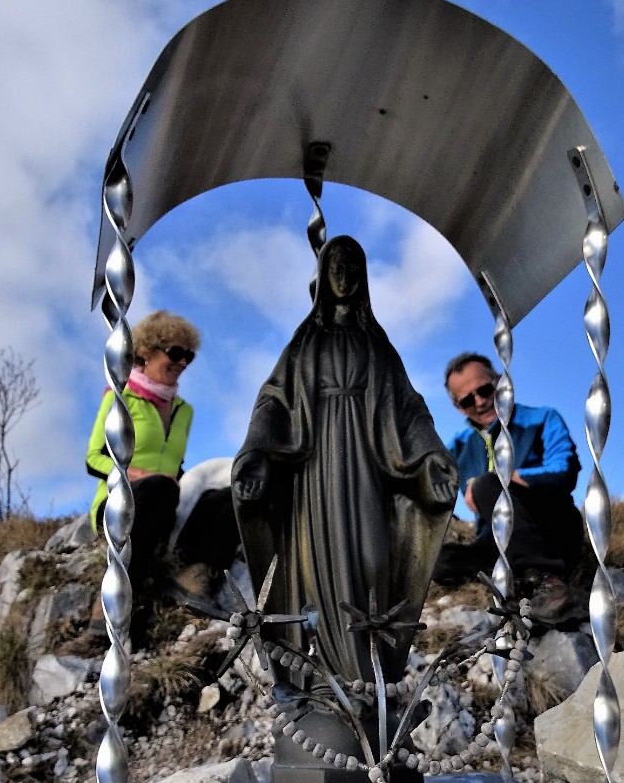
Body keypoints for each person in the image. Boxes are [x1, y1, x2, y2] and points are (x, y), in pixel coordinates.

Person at [232, 236, 459, 684]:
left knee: (376, 558)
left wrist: (431, 455)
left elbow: (409, 407)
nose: (345, 274)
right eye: (336, 266)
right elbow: (273, 401)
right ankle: (327, 682)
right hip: (315, 472)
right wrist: (257, 452)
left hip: (367, 464)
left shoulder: (377, 345)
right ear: (322, 276)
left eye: (354, 266)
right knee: (318, 571)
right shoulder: (305, 344)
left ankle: (371, 674)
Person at [85, 310, 238, 648]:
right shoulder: (120, 398)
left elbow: (178, 466)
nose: (183, 362)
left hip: (167, 501)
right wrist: (139, 475)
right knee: (159, 488)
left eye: (189, 355)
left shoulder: (185, 411)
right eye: (175, 352)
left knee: (230, 493)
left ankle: (190, 580)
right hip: (121, 504)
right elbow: (95, 459)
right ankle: (117, 597)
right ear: (146, 352)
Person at [437, 351, 585, 625]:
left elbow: (565, 471)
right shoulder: (456, 448)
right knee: (439, 561)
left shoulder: (542, 419)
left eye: (485, 390)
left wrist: (506, 477)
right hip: (497, 541)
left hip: (552, 530)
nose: (480, 402)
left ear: (499, 381)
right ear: (458, 407)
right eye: (468, 400)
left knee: (487, 484)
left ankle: (548, 585)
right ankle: (517, 581)